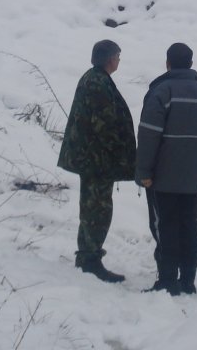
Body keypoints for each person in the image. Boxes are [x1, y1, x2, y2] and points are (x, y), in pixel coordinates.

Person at [136, 42, 197, 295]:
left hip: (163, 176)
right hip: (193, 177)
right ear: (191, 64)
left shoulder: (162, 91)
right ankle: (188, 280)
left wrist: (144, 172)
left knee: (166, 225)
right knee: (189, 224)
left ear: (168, 63)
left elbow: (149, 135)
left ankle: (168, 281)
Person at [57, 39, 137, 283]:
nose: (119, 60)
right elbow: (104, 125)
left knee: (92, 207)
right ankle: (90, 260)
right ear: (110, 59)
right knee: (97, 210)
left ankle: (88, 256)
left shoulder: (94, 78)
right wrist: (120, 152)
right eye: (118, 56)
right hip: (96, 161)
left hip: (93, 159)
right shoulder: (98, 83)